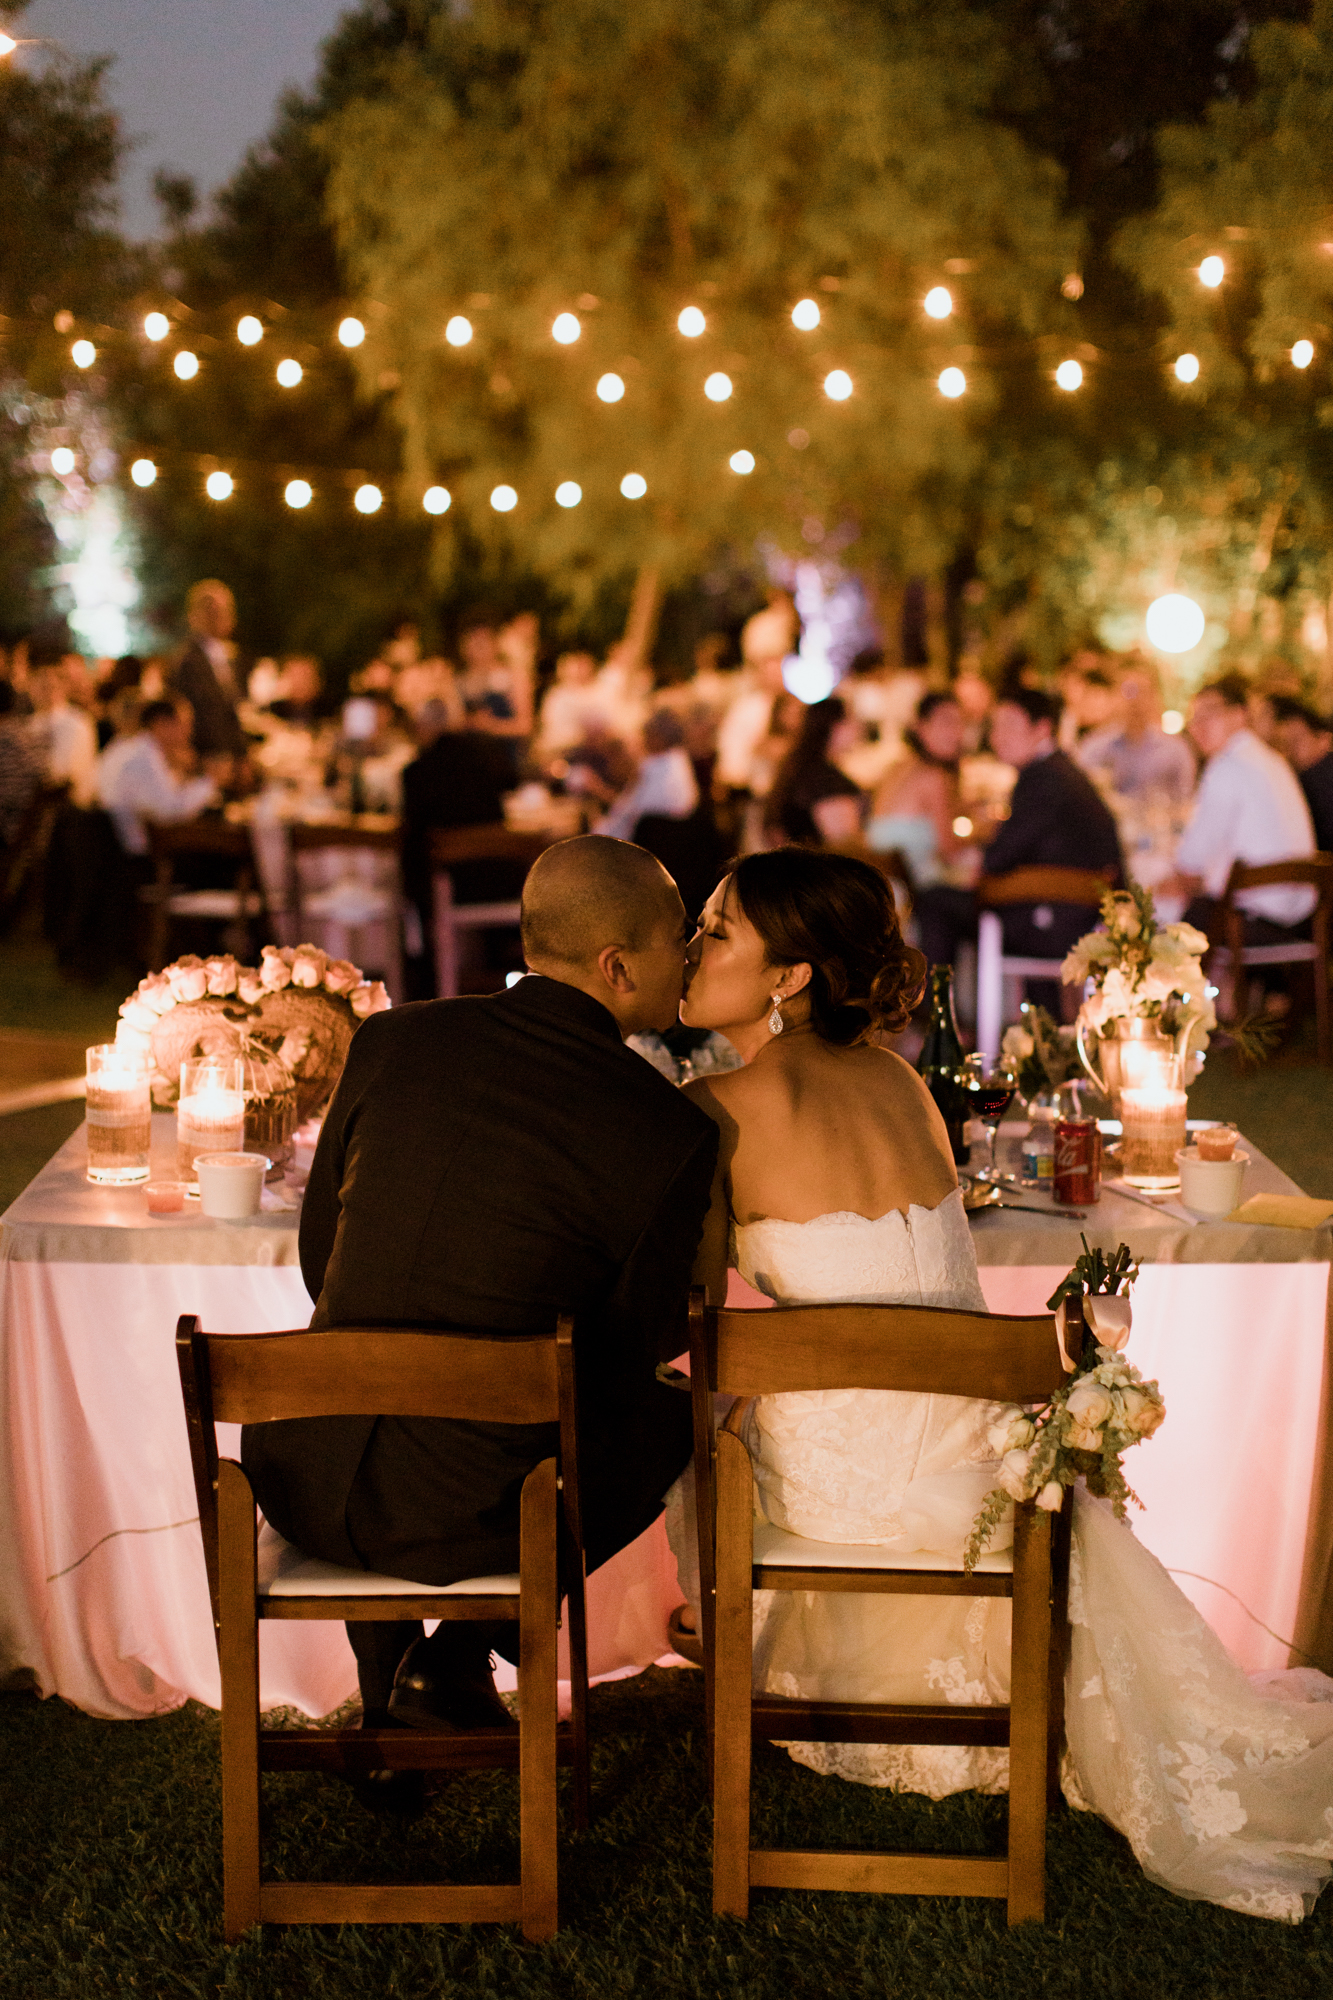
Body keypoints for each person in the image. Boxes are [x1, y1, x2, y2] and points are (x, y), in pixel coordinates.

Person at [669, 846, 1333, 1921]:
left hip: (853, 1499)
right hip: (990, 1473)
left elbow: (687, 1316)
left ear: (788, 975)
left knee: (694, 1426)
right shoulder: (896, 1081)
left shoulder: (714, 1106)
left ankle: (712, 1622)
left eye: (716, 930)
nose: (692, 949)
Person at [241, 837, 717, 1762]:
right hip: (480, 1511)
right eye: (679, 943)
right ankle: (456, 1657)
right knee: (666, 1416)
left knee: (387, 1361)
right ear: (618, 967)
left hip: (299, 1462)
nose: (689, 961)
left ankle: (402, 1688)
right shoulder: (664, 1125)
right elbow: (633, 1344)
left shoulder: (394, 1038)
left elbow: (318, 1255)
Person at [1166, 674, 1316, 939]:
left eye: (1208, 714)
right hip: (1303, 920)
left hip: (1257, 923)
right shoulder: (1271, 759)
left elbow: (1192, 858)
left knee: (1164, 924)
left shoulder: (1227, 765)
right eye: (1194, 718)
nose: (1198, 726)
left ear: (1239, 716)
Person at [94, 698, 222, 857]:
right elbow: (170, 812)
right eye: (184, 723)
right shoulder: (143, 757)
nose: (189, 731)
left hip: (110, 850)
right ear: (161, 724)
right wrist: (212, 781)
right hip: (133, 856)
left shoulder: (125, 746)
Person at [1074, 658, 1196, 808]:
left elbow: (1186, 801)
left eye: (1143, 691)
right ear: (1116, 695)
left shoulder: (1175, 749)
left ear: (1154, 697)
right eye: (1128, 691)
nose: (1135, 700)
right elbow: (1079, 800)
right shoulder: (1094, 748)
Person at [764, 695, 863, 847]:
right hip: (818, 866)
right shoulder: (824, 779)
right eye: (850, 721)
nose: (858, 727)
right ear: (833, 727)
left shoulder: (800, 767)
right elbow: (845, 845)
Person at [171, 579, 249, 762]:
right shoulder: (187, 661)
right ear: (196, 615)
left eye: (224, 611)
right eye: (213, 612)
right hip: (206, 759)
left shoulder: (230, 656)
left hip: (231, 758)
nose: (220, 618)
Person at [1269, 696, 1333, 853]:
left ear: (1324, 739)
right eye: (1282, 745)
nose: (1289, 751)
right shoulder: (1297, 781)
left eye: (1296, 740)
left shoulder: (1318, 776)